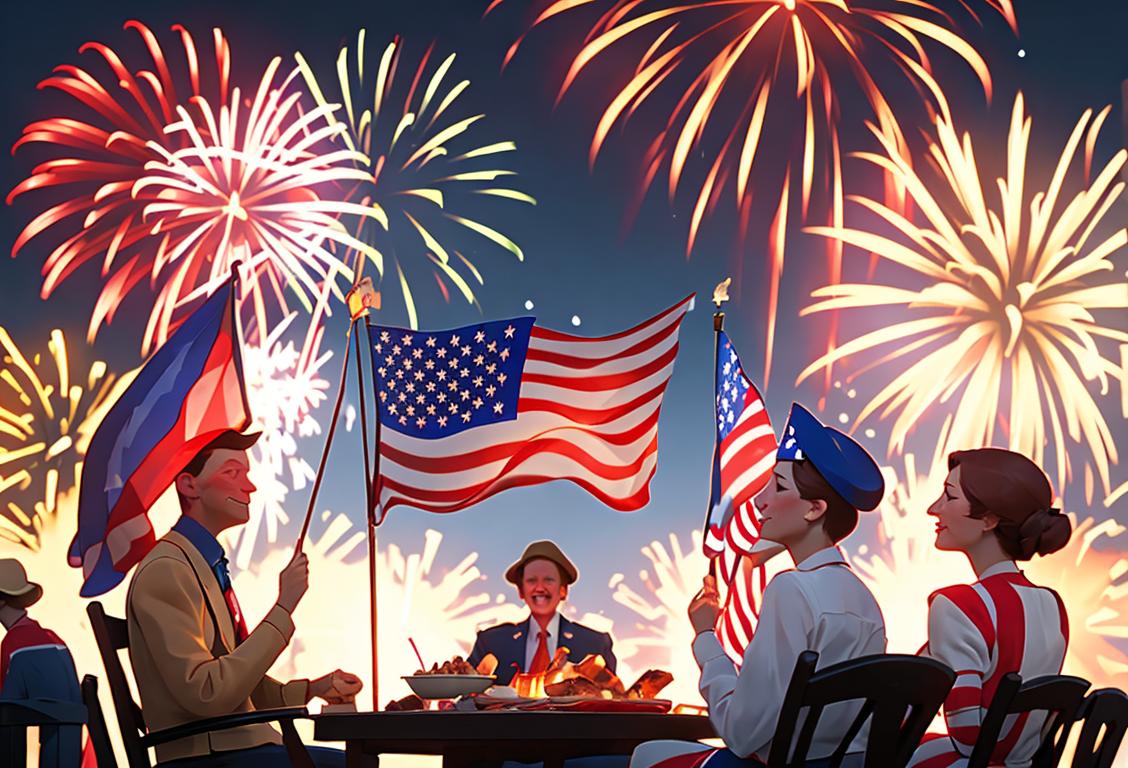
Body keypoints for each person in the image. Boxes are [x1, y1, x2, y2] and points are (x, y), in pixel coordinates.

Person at [631, 402, 887, 768]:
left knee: (647, 753)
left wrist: (706, 637)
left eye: (778, 486)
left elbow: (741, 732)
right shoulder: (866, 602)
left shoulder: (792, 590)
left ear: (814, 510)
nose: (758, 500)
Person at [127, 429, 363, 766]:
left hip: (230, 746)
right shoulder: (168, 570)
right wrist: (284, 608)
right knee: (355, 763)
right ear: (189, 485)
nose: (249, 486)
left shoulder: (203, 565)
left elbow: (240, 687)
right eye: (232, 473)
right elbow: (207, 694)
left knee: (356, 759)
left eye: (247, 474)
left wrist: (314, 688)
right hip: (206, 755)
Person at [908, 448, 1072, 768]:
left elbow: (969, 737)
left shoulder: (957, 605)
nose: (933, 509)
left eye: (949, 496)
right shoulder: (1054, 605)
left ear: (988, 519)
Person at [468, 540, 615, 686]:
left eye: (548, 580)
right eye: (531, 581)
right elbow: (466, 698)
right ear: (521, 591)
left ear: (563, 590)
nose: (539, 588)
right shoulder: (491, 641)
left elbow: (611, 700)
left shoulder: (595, 644)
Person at [0, 558, 82, 767]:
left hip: (51, 754)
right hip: (70, 751)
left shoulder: (15, 644)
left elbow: (6, 706)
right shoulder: (52, 638)